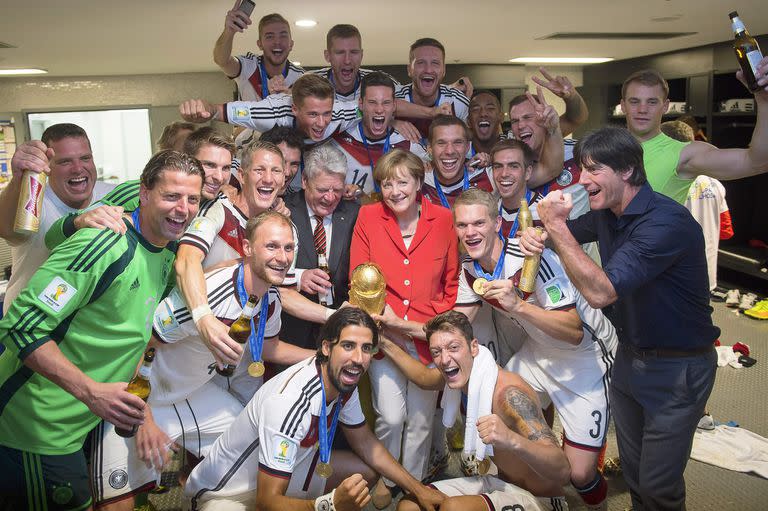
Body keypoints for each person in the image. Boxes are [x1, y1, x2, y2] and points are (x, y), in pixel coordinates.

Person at [521, 126, 719, 510]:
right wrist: (537, 234)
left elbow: (599, 292)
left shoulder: (665, 223)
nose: (582, 180)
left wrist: (556, 227)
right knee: (635, 473)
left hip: (678, 369)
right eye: (581, 169)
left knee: (660, 485)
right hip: (631, 358)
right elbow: (554, 233)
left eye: (593, 170)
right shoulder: (607, 213)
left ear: (627, 170)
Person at [0, 150, 204, 510]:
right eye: (171, 196)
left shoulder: (168, 251)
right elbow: (20, 325)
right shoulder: (104, 244)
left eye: (192, 199)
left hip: (76, 428)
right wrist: (92, 392)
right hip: (32, 430)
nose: (183, 208)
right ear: (143, 193)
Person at [92, 211, 314, 509]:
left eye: (288, 248)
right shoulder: (209, 292)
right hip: (145, 393)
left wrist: (319, 356)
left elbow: (270, 348)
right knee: (117, 503)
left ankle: (201, 499)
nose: (283, 257)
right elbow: (142, 343)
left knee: (253, 452)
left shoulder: (271, 300)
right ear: (248, 249)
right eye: (272, 246)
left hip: (194, 394)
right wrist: (143, 417)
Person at [182, 307, 445, 511]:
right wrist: (329, 504)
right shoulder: (291, 401)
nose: (358, 359)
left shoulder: (343, 379)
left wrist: (417, 488)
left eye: (366, 349)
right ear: (327, 348)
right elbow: (265, 501)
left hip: (287, 471)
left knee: (363, 475)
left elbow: (365, 442)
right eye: (348, 346)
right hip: (226, 494)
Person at [452, 188, 617, 510]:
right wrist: (398, 325)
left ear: (497, 222)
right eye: (462, 225)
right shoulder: (470, 269)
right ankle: (528, 494)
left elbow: (573, 332)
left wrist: (519, 306)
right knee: (491, 405)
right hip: (537, 352)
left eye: (478, 223)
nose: (470, 232)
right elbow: (455, 323)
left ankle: (597, 499)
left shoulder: (532, 256)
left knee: (579, 475)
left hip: (585, 359)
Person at [349, 148, 459, 507]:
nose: (394, 190)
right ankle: (388, 476)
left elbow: (451, 284)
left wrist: (423, 325)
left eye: (402, 182)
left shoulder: (443, 219)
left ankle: (410, 487)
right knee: (392, 416)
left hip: (429, 338)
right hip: (386, 337)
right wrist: (388, 322)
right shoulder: (368, 216)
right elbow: (359, 277)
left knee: (423, 422)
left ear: (418, 182)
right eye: (386, 183)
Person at [378, 311, 571, 511]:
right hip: (500, 483)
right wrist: (383, 341)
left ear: (473, 347)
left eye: (453, 348)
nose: (444, 359)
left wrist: (511, 439)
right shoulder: (464, 371)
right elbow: (424, 378)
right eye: (436, 352)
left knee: (453, 509)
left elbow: (563, 471)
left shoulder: (509, 396)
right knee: (410, 505)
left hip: (543, 501)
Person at [0, 123, 115, 313]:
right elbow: (7, 230)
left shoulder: (113, 195)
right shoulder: (35, 199)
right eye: (65, 161)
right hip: (28, 325)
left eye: (85, 158)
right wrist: (18, 180)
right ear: (47, 167)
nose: (78, 168)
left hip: (80, 328)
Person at [620, 63, 768, 204]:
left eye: (652, 102)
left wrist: (763, 101)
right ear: (623, 105)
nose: (642, 109)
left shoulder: (683, 154)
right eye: (634, 101)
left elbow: (757, 162)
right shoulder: (601, 150)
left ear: (665, 106)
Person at [282, 145, 360, 350]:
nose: (330, 197)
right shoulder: (282, 211)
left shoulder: (355, 213)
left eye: (337, 190)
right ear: (305, 181)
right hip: (291, 331)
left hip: (341, 332)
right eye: (323, 189)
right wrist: (300, 276)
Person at [179, 74, 359, 147]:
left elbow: (366, 109)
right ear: (294, 109)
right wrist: (203, 109)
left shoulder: (340, 113)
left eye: (326, 113)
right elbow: (219, 111)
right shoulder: (270, 113)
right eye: (312, 114)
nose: (321, 123)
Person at [329, 72, 429, 197]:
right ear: (360, 104)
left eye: (386, 103)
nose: (379, 109)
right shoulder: (338, 140)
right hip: (347, 215)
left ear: (394, 106)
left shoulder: (408, 144)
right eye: (372, 102)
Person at [661, 120, 733, 292]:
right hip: (705, 276)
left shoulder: (664, 184)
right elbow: (726, 231)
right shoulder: (715, 184)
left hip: (673, 278)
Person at [213, 6, 304, 101]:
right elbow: (222, 61)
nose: (277, 41)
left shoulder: (300, 77)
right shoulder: (248, 66)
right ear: (259, 44)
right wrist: (229, 31)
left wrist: (289, 96)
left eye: (283, 35)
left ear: (291, 44)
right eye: (269, 36)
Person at [394, 38, 471, 142]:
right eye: (420, 63)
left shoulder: (457, 101)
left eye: (435, 63)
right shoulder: (395, 97)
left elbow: (470, 143)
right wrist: (391, 122)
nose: (428, 70)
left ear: (444, 70)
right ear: (409, 70)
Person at [259, 126, 304, 196]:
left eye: (294, 164)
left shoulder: (295, 196)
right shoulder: (236, 182)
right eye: (282, 162)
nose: (287, 173)